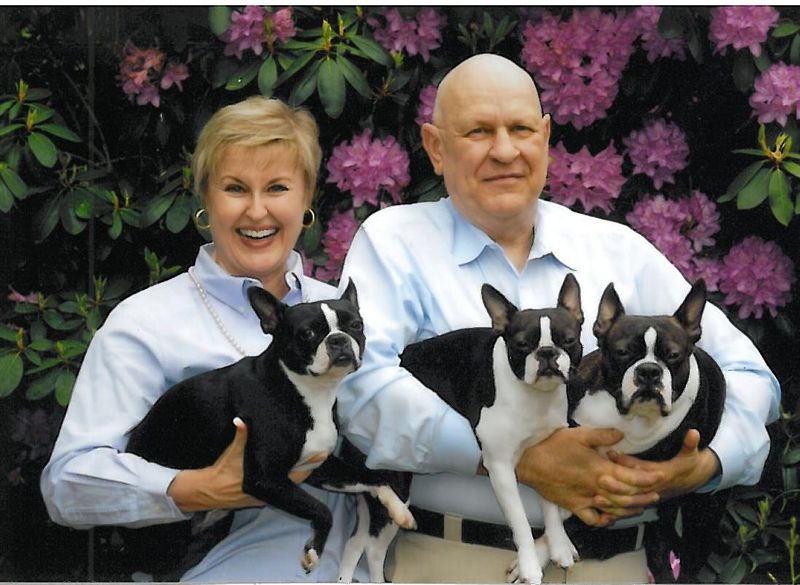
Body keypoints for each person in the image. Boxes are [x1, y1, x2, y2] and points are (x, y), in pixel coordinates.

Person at [336, 53, 780, 583]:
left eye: (521, 129)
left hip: (615, 567)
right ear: (435, 147)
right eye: (479, 131)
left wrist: (705, 466)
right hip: (457, 561)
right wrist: (517, 457)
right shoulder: (395, 243)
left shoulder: (617, 250)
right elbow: (359, 386)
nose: (505, 150)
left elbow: (751, 377)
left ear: (545, 137)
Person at [40, 96, 363, 582]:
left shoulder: (343, 317)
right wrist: (193, 488)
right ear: (205, 200)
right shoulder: (147, 323)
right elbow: (66, 485)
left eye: (277, 187)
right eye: (235, 188)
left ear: (307, 199)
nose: (257, 210)